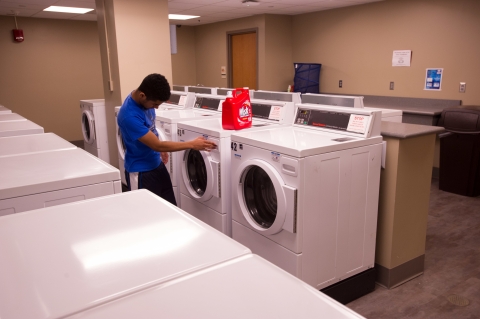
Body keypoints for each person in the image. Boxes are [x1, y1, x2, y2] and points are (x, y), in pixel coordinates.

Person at [117, 73, 216, 205]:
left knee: (170, 209)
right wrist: (192, 144)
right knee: (146, 216)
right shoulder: (128, 115)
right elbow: (157, 145)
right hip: (141, 172)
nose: (156, 108)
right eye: (155, 104)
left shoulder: (142, 100)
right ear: (142, 95)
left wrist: (159, 147)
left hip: (157, 165)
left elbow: (150, 130)